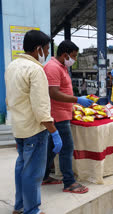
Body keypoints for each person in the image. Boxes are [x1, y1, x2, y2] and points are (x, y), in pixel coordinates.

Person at [5, 30, 63, 214]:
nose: (47, 53)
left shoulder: (12, 66)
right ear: (38, 49)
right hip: (34, 131)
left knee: (21, 168)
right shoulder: (36, 70)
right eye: (46, 49)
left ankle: (20, 206)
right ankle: (32, 210)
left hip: (19, 128)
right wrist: (54, 131)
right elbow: (41, 109)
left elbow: (10, 99)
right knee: (33, 173)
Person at [43, 40, 92, 194]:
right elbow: (54, 93)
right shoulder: (52, 67)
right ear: (65, 55)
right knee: (66, 148)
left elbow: (63, 89)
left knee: (51, 149)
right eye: (73, 56)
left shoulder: (61, 67)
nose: (74, 60)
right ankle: (69, 182)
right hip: (58, 115)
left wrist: (75, 101)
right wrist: (77, 100)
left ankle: (43, 176)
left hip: (63, 113)